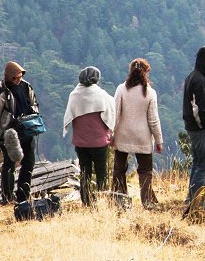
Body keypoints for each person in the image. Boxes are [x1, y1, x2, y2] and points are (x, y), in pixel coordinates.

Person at [112, 58, 164, 210]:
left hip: (123, 135)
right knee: (145, 171)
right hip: (143, 137)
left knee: (119, 169)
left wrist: (111, 134)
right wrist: (159, 140)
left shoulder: (121, 89)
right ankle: (147, 202)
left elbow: (115, 114)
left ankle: (119, 201)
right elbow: (153, 119)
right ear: (146, 72)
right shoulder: (149, 92)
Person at [0, 61, 40, 204]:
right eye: (15, 78)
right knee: (9, 164)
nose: (18, 80)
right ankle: (7, 197)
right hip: (9, 133)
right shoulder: (1, 91)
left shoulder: (27, 87)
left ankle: (23, 196)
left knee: (29, 163)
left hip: (27, 130)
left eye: (20, 76)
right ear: (9, 77)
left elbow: (34, 105)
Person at [63, 66, 116, 206]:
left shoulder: (74, 95)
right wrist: (112, 133)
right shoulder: (102, 95)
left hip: (81, 142)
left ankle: (86, 201)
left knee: (84, 171)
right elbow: (111, 112)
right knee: (101, 172)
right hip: (99, 142)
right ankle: (102, 200)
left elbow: (69, 116)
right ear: (96, 78)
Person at [182, 46, 205, 203]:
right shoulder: (200, 80)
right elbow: (201, 109)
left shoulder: (193, 76)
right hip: (201, 129)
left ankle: (191, 199)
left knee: (197, 165)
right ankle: (196, 201)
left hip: (193, 127)